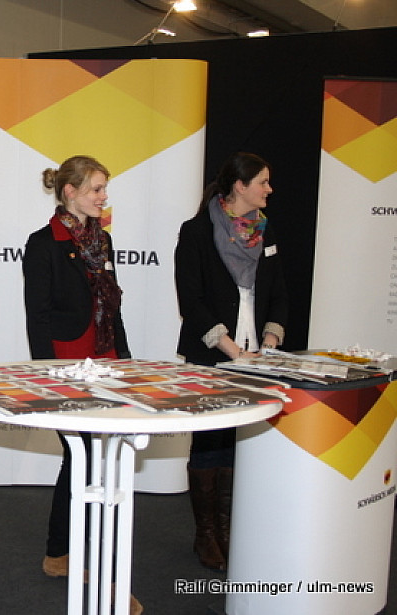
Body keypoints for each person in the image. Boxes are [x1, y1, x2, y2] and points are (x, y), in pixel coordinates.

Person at [174, 151, 288, 571]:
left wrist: (270, 339)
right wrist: (232, 351)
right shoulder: (196, 231)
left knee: (238, 445)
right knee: (210, 442)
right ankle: (206, 534)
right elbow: (192, 300)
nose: (269, 189)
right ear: (240, 186)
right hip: (213, 352)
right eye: (262, 182)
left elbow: (279, 291)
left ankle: (227, 531)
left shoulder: (265, 231)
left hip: (257, 352)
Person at [23, 156, 134, 581]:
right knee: (80, 457)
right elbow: (37, 316)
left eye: (104, 189)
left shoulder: (103, 240)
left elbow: (113, 306)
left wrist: (126, 362)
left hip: (106, 359)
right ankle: (60, 553)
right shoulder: (43, 243)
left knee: (102, 460)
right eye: (96, 189)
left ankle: (85, 549)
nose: (104, 197)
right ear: (70, 192)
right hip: (67, 364)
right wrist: (47, 375)